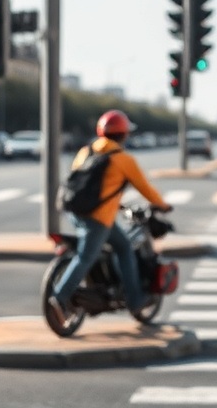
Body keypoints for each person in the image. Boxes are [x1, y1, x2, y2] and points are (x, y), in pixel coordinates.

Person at [48, 109, 172, 324]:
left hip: (74, 211)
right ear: (124, 135)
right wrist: (162, 205)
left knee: (119, 245)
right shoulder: (123, 159)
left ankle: (104, 286)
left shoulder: (85, 151)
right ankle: (61, 298)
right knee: (103, 254)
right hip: (98, 219)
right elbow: (144, 188)